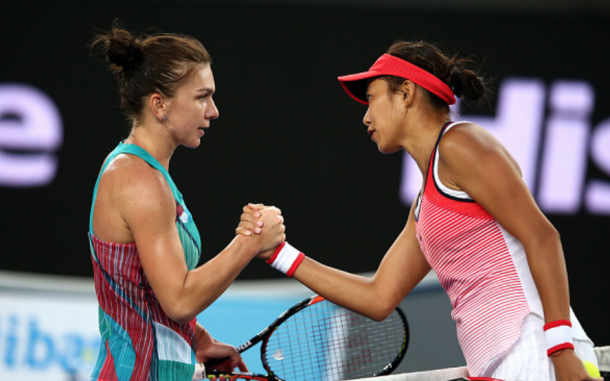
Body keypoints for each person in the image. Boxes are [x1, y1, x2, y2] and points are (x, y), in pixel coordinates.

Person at [239, 41, 601, 381]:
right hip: (502, 360)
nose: (366, 117)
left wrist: (560, 347)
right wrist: (279, 254)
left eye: (371, 99)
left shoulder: (462, 143)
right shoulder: (424, 204)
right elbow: (378, 297)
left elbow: (542, 236)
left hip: (536, 349)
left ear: (406, 93)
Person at [88, 26, 285, 381]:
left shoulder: (150, 174)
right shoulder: (138, 180)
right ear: (159, 105)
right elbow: (178, 300)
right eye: (201, 97)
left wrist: (198, 338)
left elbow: (143, 291)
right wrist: (249, 242)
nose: (213, 111)